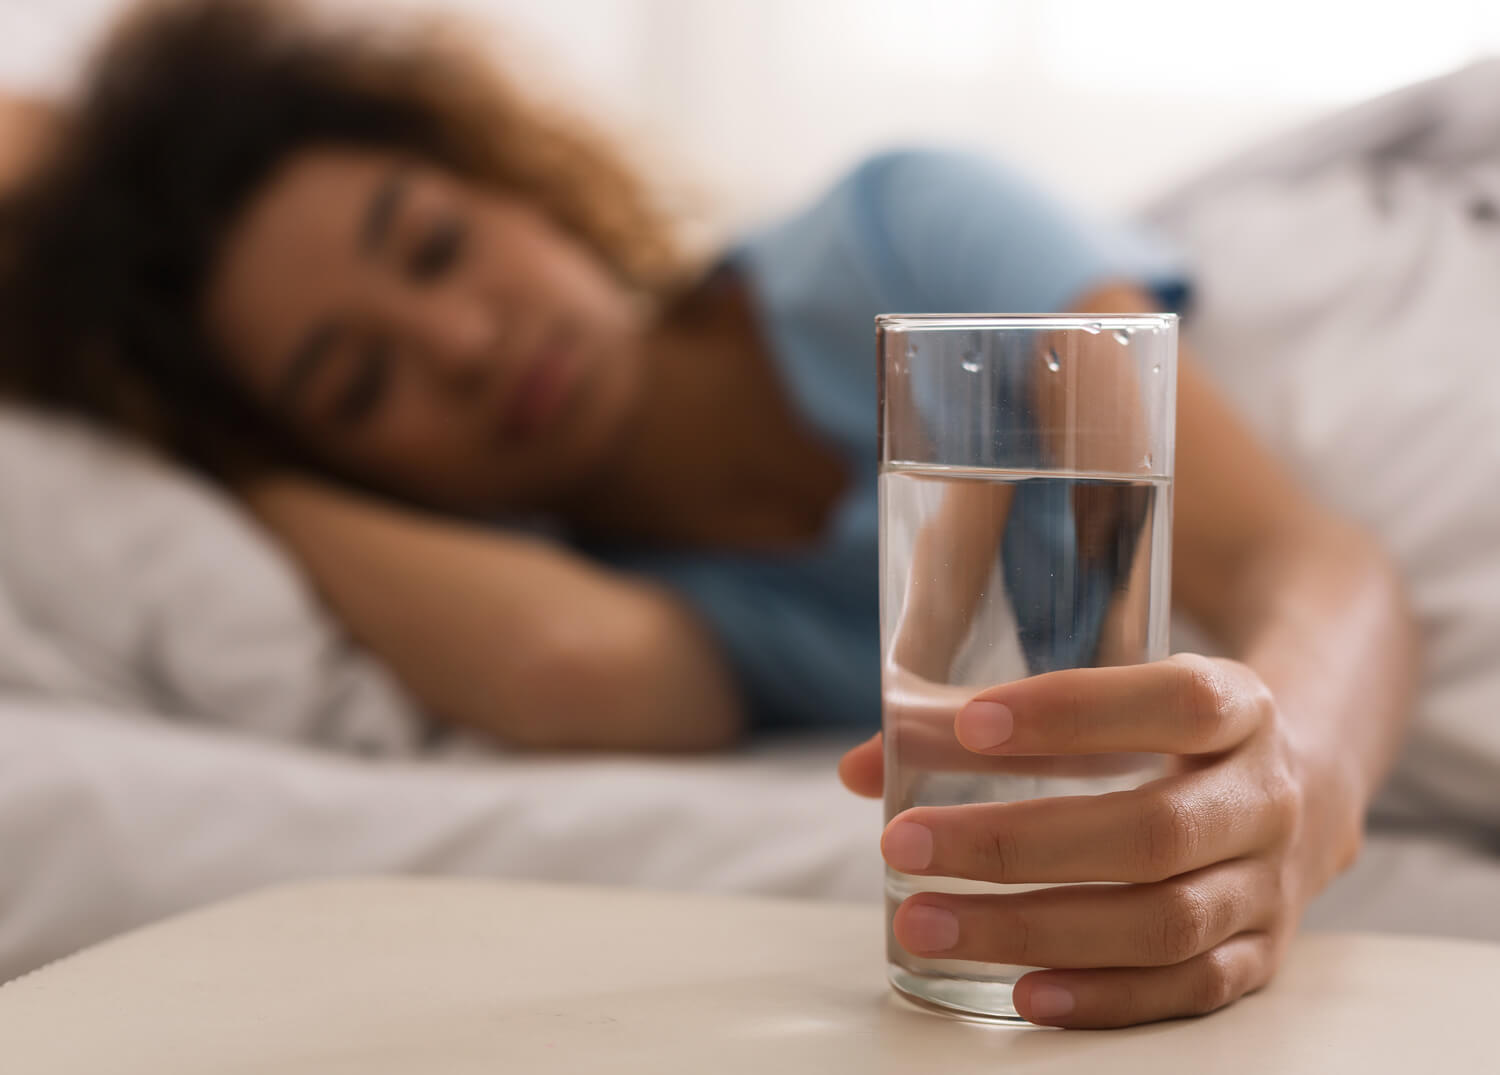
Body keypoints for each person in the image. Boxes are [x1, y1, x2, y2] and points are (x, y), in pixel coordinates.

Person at [0, 0, 1416, 1028]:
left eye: (435, 244)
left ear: (516, 178)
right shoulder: (581, 579)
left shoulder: (897, 234)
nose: (462, 340)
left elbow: (1308, 561)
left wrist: (1292, 789)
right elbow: (570, 669)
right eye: (358, 381)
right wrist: (210, 448)